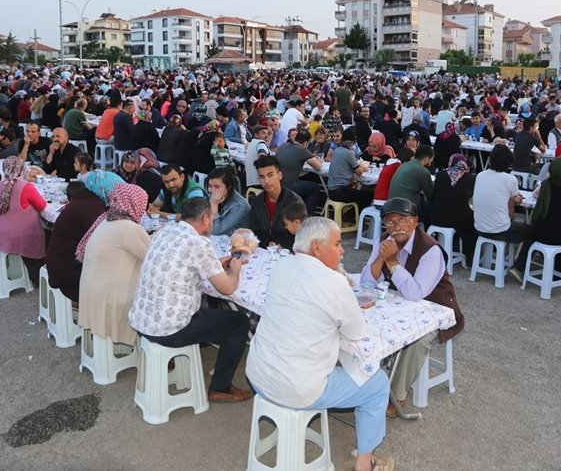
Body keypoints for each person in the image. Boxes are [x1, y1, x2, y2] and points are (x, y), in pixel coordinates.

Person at [247, 217, 395, 471]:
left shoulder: (282, 266)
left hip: (258, 374)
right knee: (377, 383)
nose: (343, 250)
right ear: (316, 247)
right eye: (337, 244)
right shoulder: (333, 282)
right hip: (297, 388)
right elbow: (356, 331)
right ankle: (364, 463)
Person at [130, 197, 253, 404]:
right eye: (212, 217)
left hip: (142, 321)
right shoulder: (199, 243)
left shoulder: (165, 231)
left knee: (213, 315)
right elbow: (228, 288)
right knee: (238, 322)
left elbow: (184, 266)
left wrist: (215, 266)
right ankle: (220, 387)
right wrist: (236, 270)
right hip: (170, 330)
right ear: (205, 219)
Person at [360, 198, 464, 418]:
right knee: (364, 320)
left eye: (402, 220)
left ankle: (397, 396)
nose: (395, 227)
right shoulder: (385, 242)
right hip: (399, 303)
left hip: (434, 309)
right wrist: (381, 256)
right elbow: (367, 282)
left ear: (415, 221)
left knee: (416, 340)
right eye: (389, 222)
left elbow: (416, 293)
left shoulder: (430, 249)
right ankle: (367, 382)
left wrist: (392, 263)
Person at [77, 183, 150, 346]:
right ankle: (155, 348)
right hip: (110, 297)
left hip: (92, 291)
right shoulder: (129, 229)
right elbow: (152, 258)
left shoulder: (106, 219)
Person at [46, 172, 122, 303]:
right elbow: (104, 239)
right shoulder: (91, 206)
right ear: (104, 189)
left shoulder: (86, 200)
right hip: (68, 273)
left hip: (61, 266)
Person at [473, 144, 531, 283]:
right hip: (500, 230)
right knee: (530, 230)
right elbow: (512, 208)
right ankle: (518, 267)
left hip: (479, 227)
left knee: (503, 221)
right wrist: (513, 199)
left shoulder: (480, 175)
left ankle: (497, 256)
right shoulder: (510, 179)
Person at [0, 157, 47, 284]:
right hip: (15, 236)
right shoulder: (25, 186)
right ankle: (39, 274)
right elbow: (41, 206)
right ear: (22, 169)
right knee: (47, 233)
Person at [428, 153, 477, 260]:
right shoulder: (470, 178)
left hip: (437, 217)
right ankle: (469, 254)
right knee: (473, 223)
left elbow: (433, 197)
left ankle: (451, 244)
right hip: (459, 219)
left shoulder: (440, 175)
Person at [248, 156, 303, 250]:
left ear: (279, 175)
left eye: (270, 175)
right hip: (261, 251)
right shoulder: (257, 202)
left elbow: (301, 236)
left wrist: (284, 247)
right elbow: (253, 230)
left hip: (286, 254)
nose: (266, 181)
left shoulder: (294, 202)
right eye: (262, 177)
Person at [275, 129, 323, 214]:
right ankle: (308, 215)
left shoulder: (284, 145)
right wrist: (319, 160)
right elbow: (318, 167)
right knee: (315, 187)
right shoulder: (302, 150)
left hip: (277, 183)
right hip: (289, 185)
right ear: (306, 143)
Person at [327, 128, 373, 210]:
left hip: (331, 190)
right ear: (353, 143)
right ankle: (352, 217)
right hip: (341, 192)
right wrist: (363, 166)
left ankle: (350, 215)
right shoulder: (349, 153)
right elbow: (359, 172)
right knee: (369, 195)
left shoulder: (336, 150)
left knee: (358, 194)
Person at [388, 144, 434, 214]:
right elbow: (430, 195)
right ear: (426, 159)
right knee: (429, 206)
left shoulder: (404, 165)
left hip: (391, 204)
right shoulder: (424, 171)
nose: (430, 163)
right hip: (406, 207)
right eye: (431, 160)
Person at [207, 167, 250, 236]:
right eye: (210, 186)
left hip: (235, 241)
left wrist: (214, 205)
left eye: (217, 187)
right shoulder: (215, 196)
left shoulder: (240, 206)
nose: (212, 190)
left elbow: (216, 230)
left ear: (229, 187)